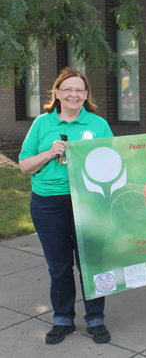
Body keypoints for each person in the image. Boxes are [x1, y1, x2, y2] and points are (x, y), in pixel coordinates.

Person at [19, 68, 114, 344]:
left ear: (86, 95)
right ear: (57, 93)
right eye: (68, 89)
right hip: (48, 203)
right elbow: (25, 166)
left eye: (80, 90)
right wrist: (50, 153)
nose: (74, 94)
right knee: (59, 266)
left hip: (89, 201)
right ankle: (62, 319)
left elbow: (114, 162)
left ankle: (95, 319)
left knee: (91, 263)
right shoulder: (41, 124)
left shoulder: (97, 124)